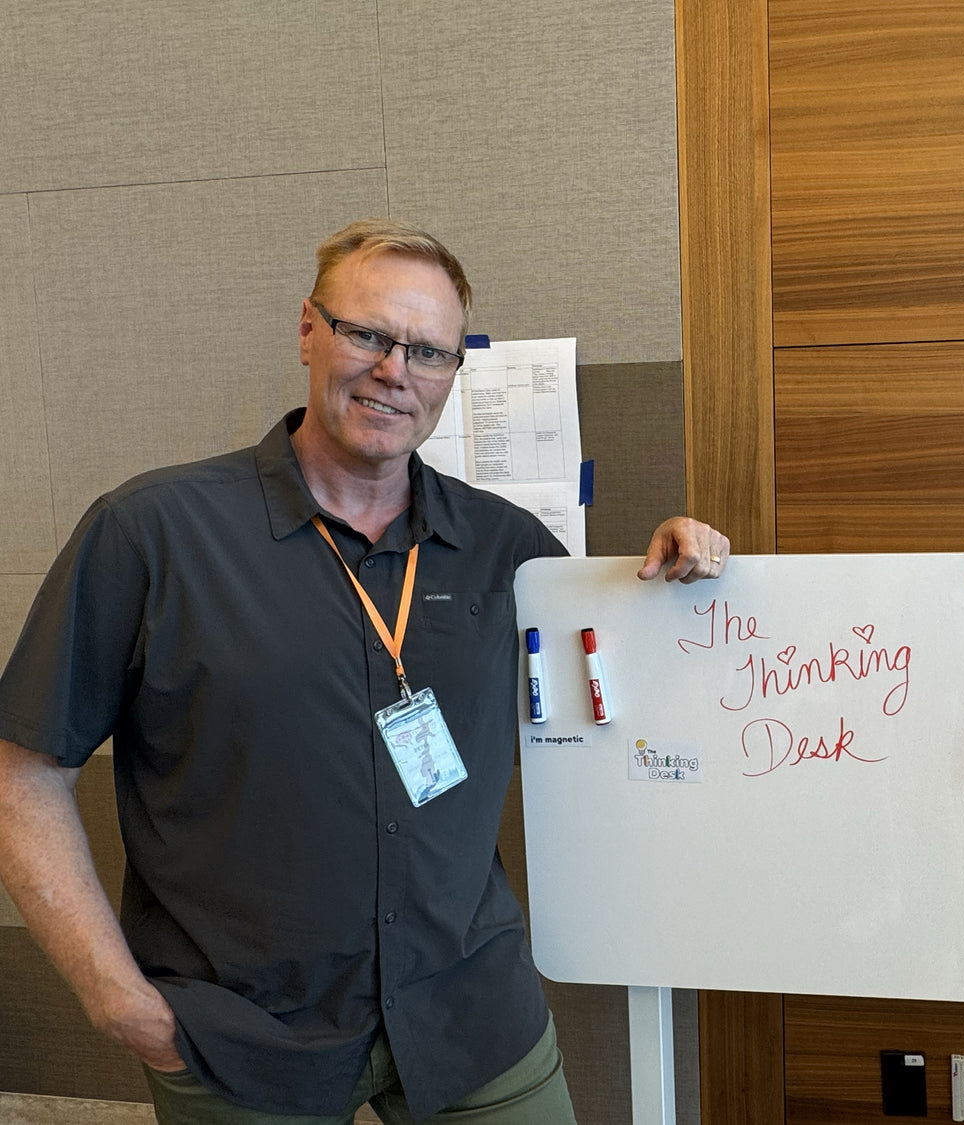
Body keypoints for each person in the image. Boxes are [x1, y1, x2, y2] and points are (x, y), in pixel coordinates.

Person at [0, 219, 730, 1124]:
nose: (396, 370)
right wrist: (116, 999)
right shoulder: (151, 533)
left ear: (453, 373)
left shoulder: (507, 547)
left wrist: (667, 576)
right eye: (369, 334)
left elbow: (621, 698)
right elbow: (23, 773)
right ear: (309, 328)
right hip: (240, 1036)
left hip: (471, 1015)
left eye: (428, 350)